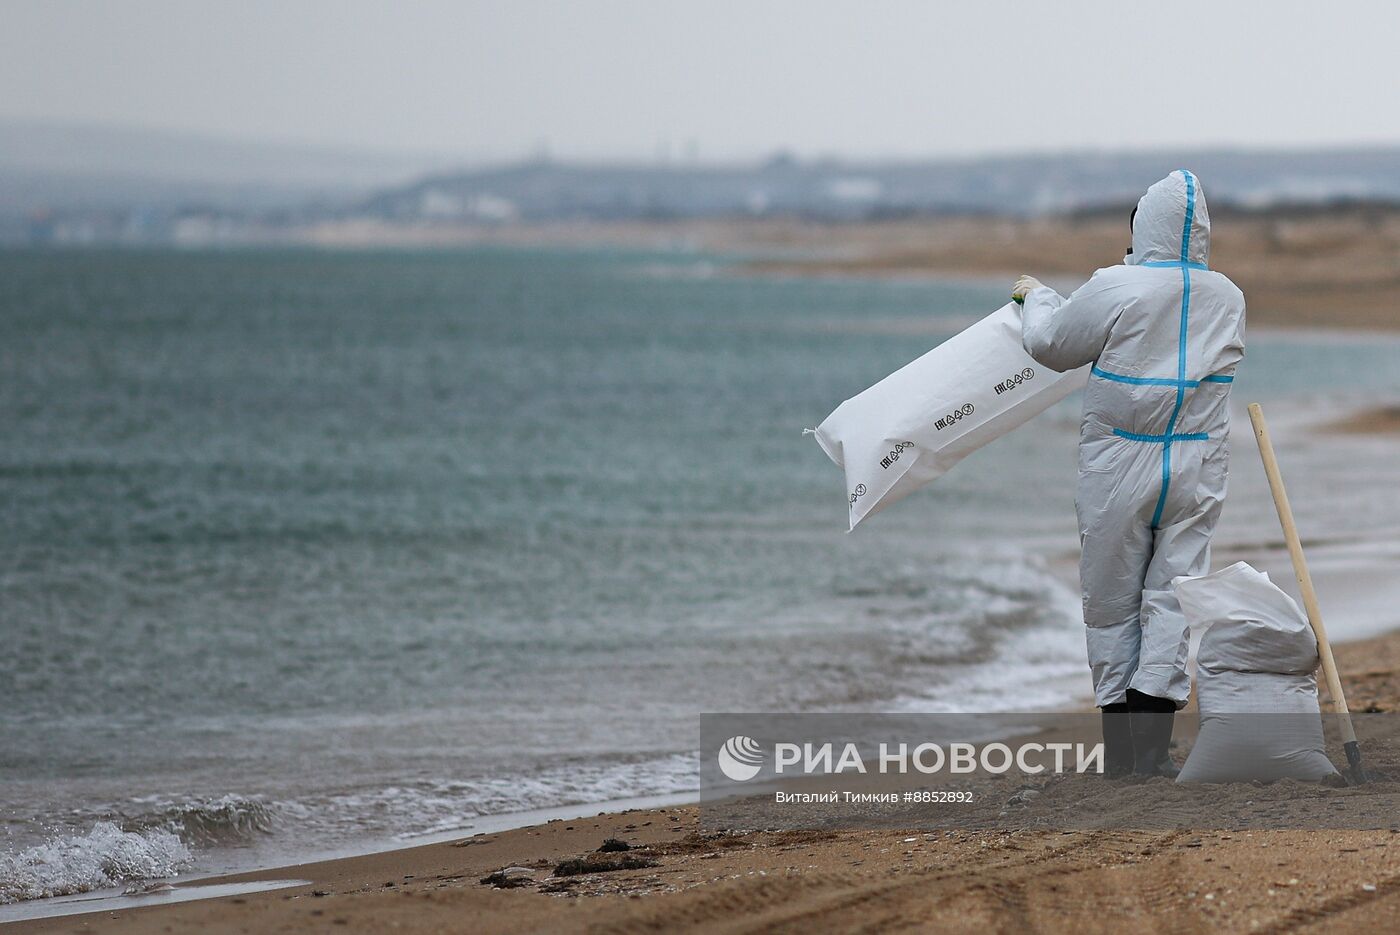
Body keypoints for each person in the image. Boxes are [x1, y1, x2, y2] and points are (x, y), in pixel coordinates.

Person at [1012, 170, 1246, 777]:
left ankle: (1122, 752)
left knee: (1113, 601)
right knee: (1173, 596)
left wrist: (1035, 295)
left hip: (1119, 461)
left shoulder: (1116, 284)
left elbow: (1051, 345)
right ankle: (1152, 745)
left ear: (1145, 227)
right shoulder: (1229, 296)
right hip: (1196, 462)